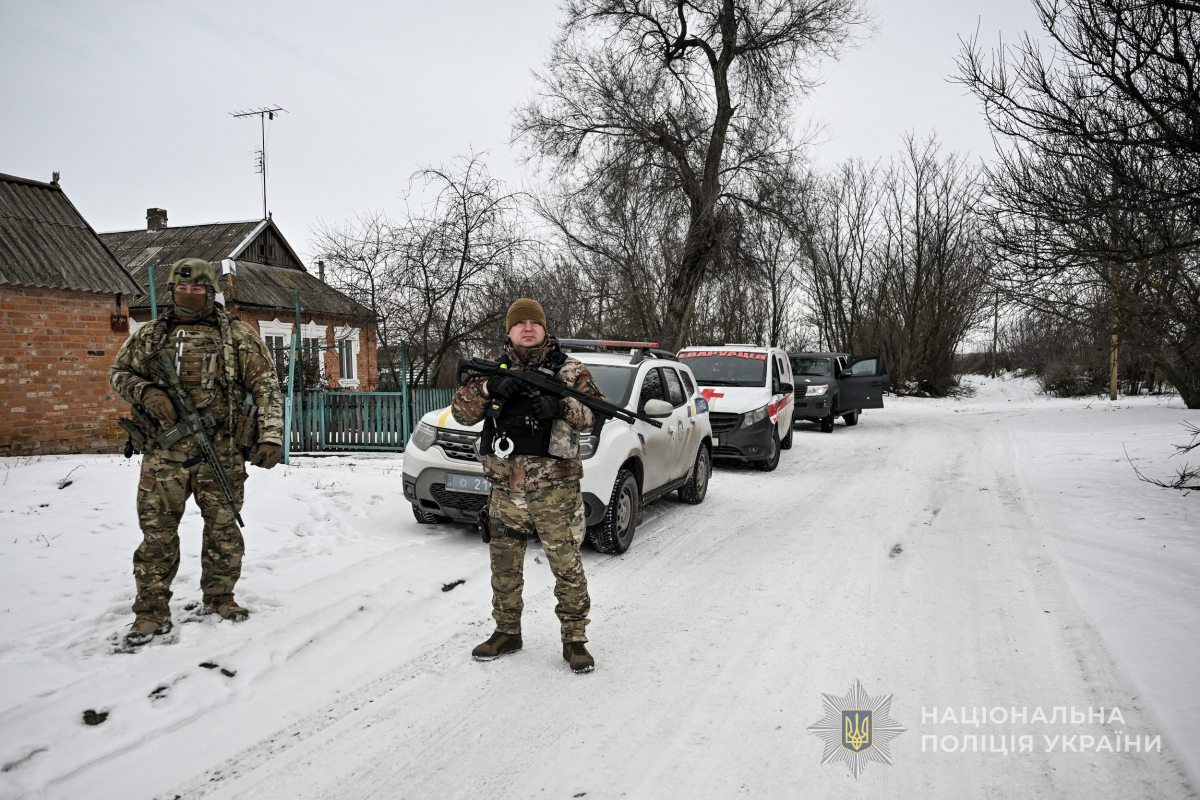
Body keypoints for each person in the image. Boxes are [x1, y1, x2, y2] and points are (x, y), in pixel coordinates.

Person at [111, 258, 283, 646]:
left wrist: (271, 435)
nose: (190, 295)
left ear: (211, 292)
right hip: (164, 454)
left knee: (224, 529)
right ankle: (150, 613)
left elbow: (267, 386)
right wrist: (148, 392)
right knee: (156, 536)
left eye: (199, 289)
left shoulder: (238, 335)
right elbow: (120, 374)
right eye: (182, 289)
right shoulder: (150, 335)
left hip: (220, 450)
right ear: (172, 290)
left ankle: (220, 597)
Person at [451, 298, 605, 673]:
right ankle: (507, 631)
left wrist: (561, 408)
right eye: (520, 323)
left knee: (566, 565)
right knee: (504, 565)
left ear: (543, 328)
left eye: (534, 322)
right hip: (506, 488)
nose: (527, 328)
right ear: (509, 330)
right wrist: (488, 389)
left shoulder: (569, 371)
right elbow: (461, 412)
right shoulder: (491, 370)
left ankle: (575, 640)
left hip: (556, 491)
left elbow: (597, 414)